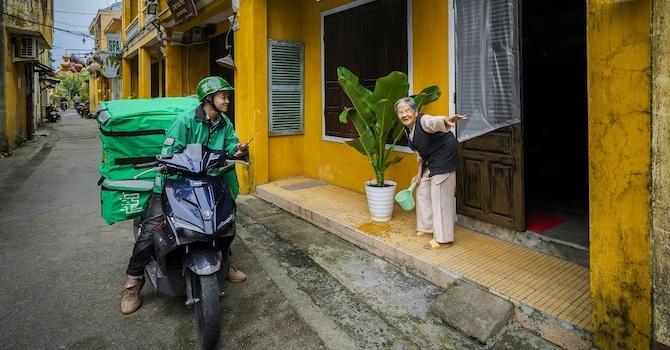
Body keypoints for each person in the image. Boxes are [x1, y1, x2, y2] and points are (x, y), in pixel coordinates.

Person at [121, 76, 249, 315]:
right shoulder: (185, 121)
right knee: (152, 229)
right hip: (175, 182)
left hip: (207, 180)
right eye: (223, 96)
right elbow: (168, 151)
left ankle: (225, 261)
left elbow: (231, 143)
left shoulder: (224, 123)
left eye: (228, 96)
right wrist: (171, 163)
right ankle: (133, 282)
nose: (227, 100)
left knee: (225, 219)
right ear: (208, 98)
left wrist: (238, 150)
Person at [395, 97, 467, 249]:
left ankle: (443, 239)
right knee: (422, 189)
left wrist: (446, 120)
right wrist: (418, 174)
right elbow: (421, 152)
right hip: (431, 161)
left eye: (407, 110)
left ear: (416, 112)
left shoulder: (423, 121)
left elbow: (433, 122)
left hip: (444, 159)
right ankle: (427, 228)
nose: (404, 114)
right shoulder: (409, 130)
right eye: (400, 112)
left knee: (440, 196)